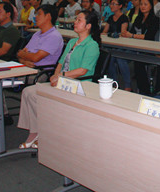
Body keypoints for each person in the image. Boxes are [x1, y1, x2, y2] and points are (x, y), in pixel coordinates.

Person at [17, 10, 101, 149]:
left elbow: (83, 70)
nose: (75, 22)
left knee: (45, 98)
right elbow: (60, 63)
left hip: (78, 85)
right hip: (62, 81)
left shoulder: (92, 46)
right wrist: (55, 76)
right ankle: (35, 131)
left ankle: (44, 133)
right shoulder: (72, 42)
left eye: (79, 20)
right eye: (76, 19)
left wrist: (61, 76)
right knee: (29, 92)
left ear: (88, 26)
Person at [122, 0, 160, 95]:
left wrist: (132, 36)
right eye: (141, 4)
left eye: (145, 4)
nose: (143, 6)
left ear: (151, 6)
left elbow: (149, 36)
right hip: (135, 47)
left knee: (138, 60)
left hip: (149, 49)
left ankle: (145, 91)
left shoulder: (155, 19)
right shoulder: (138, 18)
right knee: (116, 56)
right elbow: (131, 32)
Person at [103, 0, 131, 90]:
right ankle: (114, 83)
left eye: (114, 4)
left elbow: (123, 33)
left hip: (122, 45)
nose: (111, 6)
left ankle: (127, 85)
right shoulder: (111, 18)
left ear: (120, 6)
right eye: (111, 4)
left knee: (117, 57)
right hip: (112, 44)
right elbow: (104, 32)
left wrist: (111, 34)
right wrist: (111, 34)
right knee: (108, 56)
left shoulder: (124, 18)